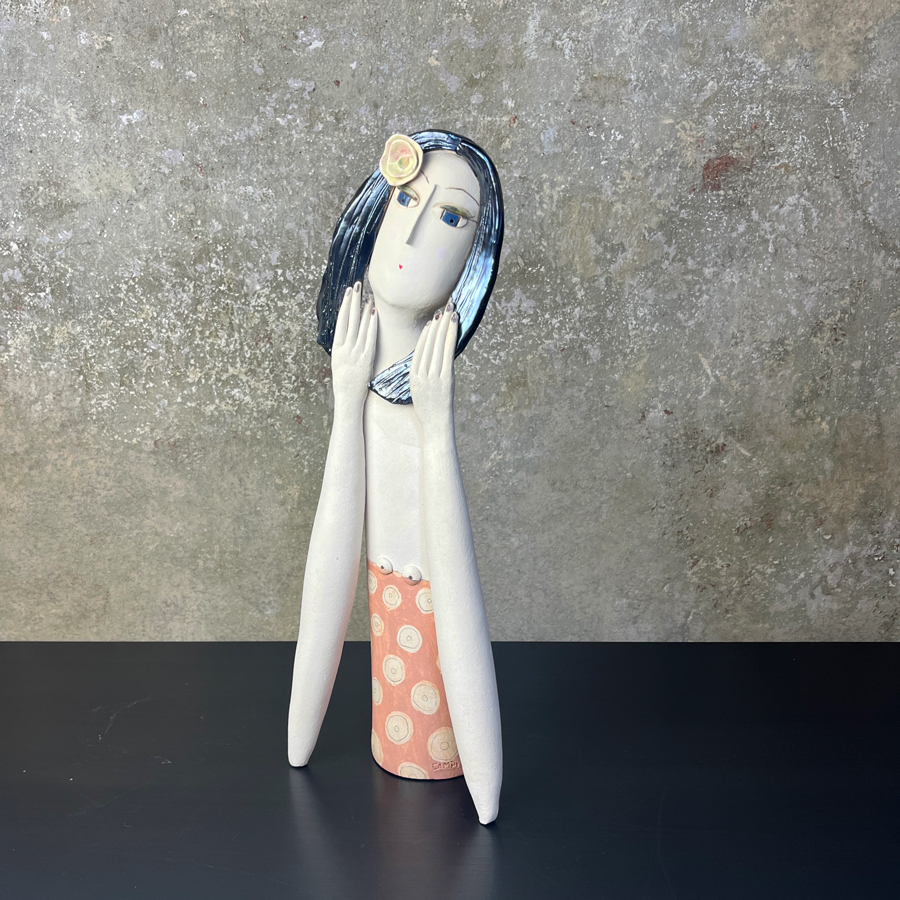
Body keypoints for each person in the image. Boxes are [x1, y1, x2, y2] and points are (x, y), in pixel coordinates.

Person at [287, 130, 504, 825]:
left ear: (476, 255)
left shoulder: (423, 403)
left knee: (432, 621)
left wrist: (435, 426)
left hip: (441, 700)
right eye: (407, 199)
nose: (411, 232)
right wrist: (346, 399)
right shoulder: (359, 382)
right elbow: (332, 566)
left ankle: (469, 784)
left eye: (451, 216)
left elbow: (456, 591)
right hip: (391, 662)